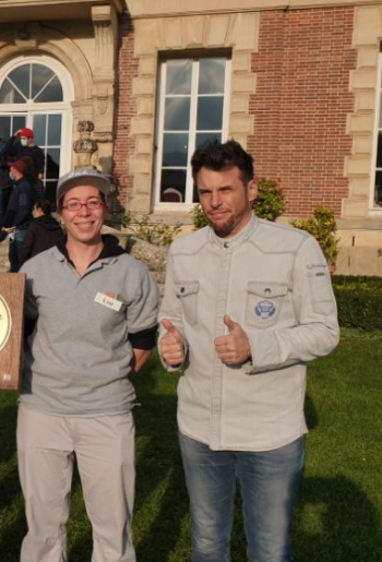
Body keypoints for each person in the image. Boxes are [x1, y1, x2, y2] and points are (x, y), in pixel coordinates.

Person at [158, 140, 340, 562]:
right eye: (205, 192)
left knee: (270, 552)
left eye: (225, 190)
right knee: (206, 546)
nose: (214, 202)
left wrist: (255, 345)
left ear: (251, 189)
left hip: (269, 434)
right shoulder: (184, 250)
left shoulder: (295, 247)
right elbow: (172, 319)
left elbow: (325, 331)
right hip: (200, 429)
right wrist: (173, 346)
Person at [18, 167, 159, 562]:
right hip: (42, 410)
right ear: (61, 213)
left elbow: (142, 344)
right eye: (74, 204)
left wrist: (103, 381)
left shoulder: (132, 273)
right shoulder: (34, 271)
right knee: (43, 528)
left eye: (93, 203)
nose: (84, 212)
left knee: (113, 528)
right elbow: (14, 335)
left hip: (107, 414)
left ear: (105, 210)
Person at [2, 159, 35, 273]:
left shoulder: (23, 187)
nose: (10, 170)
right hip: (16, 229)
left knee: (20, 261)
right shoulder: (18, 186)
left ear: (16, 170)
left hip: (21, 229)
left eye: (12, 168)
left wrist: (14, 224)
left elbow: (23, 209)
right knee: (13, 259)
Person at [4, 128, 46, 200]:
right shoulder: (18, 147)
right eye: (21, 138)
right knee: (22, 200)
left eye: (24, 138)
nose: (22, 140)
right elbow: (7, 148)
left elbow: (40, 166)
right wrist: (14, 136)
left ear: (30, 139)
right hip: (20, 180)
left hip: (33, 181)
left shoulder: (37, 151)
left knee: (35, 199)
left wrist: (40, 176)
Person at [20, 198, 63, 264]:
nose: (33, 211)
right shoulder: (57, 225)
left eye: (34, 209)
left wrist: (23, 263)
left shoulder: (34, 226)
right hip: (53, 262)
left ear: (39, 210)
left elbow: (27, 247)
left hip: (36, 262)